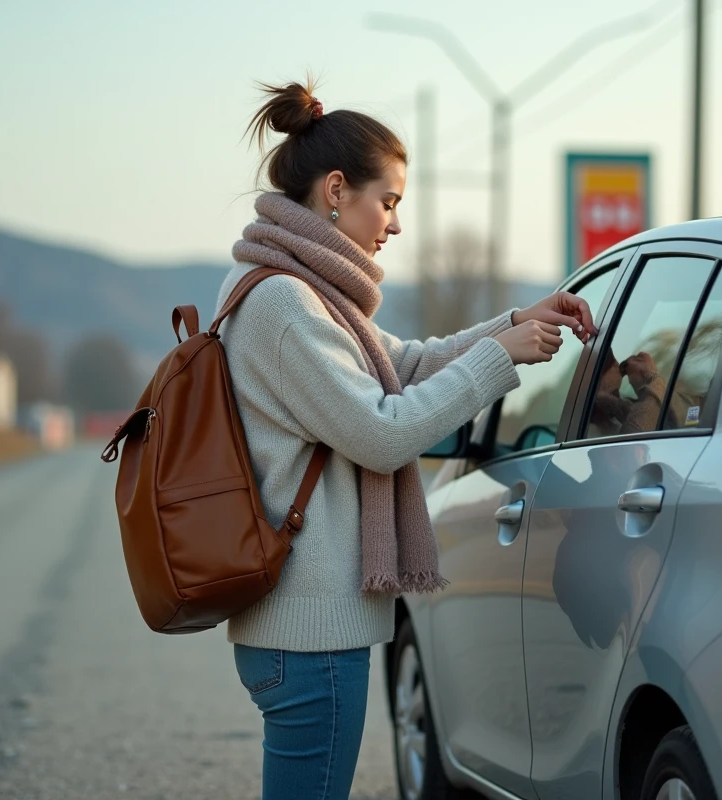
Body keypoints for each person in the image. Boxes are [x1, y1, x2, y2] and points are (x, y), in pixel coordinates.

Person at [213, 79, 599, 800]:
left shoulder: (304, 292)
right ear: (335, 191)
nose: (394, 225)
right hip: (309, 633)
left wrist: (513, 322)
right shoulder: (288, 304)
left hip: (302, 629)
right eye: (387, 201)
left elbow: (406, 364)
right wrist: (500, 358)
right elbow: (383, 435)